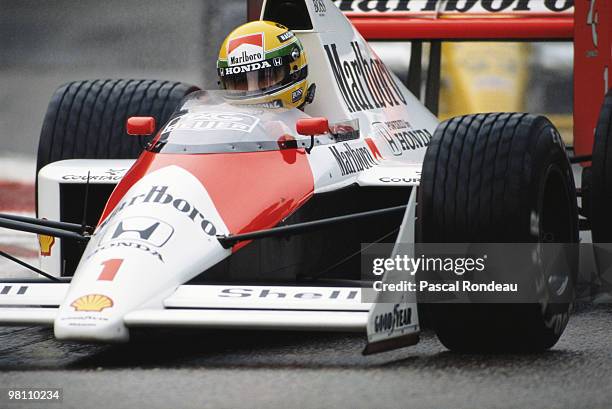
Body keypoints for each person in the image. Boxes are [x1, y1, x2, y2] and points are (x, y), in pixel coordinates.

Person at [217, 21, 315, 110]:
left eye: (263, 77)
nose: (252, 91)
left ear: (295, 73)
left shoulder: (322, 128)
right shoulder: (217, 118)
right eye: (241, 80)